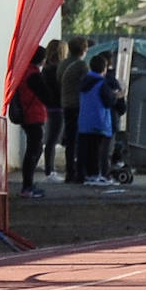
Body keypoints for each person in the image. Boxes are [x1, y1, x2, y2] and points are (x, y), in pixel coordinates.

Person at [12, 45, 52, 198]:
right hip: (34, 115)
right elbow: (45, 95)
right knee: (34, 150)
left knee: (34, 149)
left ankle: (28, 185)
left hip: (28, 114)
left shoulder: (24, 72)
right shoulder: (33, 75)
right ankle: (27, 186)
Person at [77, 53, 122, 186]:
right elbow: (108, 102)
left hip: (85, 121)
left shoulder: (84, 81)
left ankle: (88, 175)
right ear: (104, 69)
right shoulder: (102, 83)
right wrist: (117, 96)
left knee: (87, 150)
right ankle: (97, 175)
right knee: (98, 151)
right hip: (99, 120)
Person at [58, 37, 89, 183]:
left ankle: (69, 171)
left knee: (70, 140)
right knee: (81, 140)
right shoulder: (82, 65)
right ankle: (80, 172)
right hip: (79, 105)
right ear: (83, 50)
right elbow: (88, 84)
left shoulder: (63, 64)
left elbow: (59, 80)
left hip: (66, 103)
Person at [41, 40, 65, 181]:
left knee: (51, 139)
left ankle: (49, 169)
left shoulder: (46, 69)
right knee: (52, 139)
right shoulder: (58, 69)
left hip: (49, 106)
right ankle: (49, 170)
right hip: (58, 106)